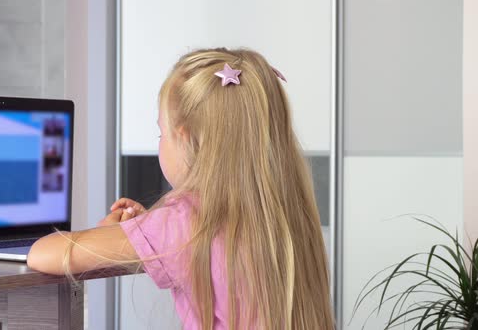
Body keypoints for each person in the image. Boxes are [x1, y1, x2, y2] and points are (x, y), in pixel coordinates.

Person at [27, 48, 334, 329]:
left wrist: (111, 231)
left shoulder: (184, 223)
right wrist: (147, 233)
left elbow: (44, 254)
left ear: (185, 139)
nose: (160, 142)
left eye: (162, 133)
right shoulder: (286, 215)